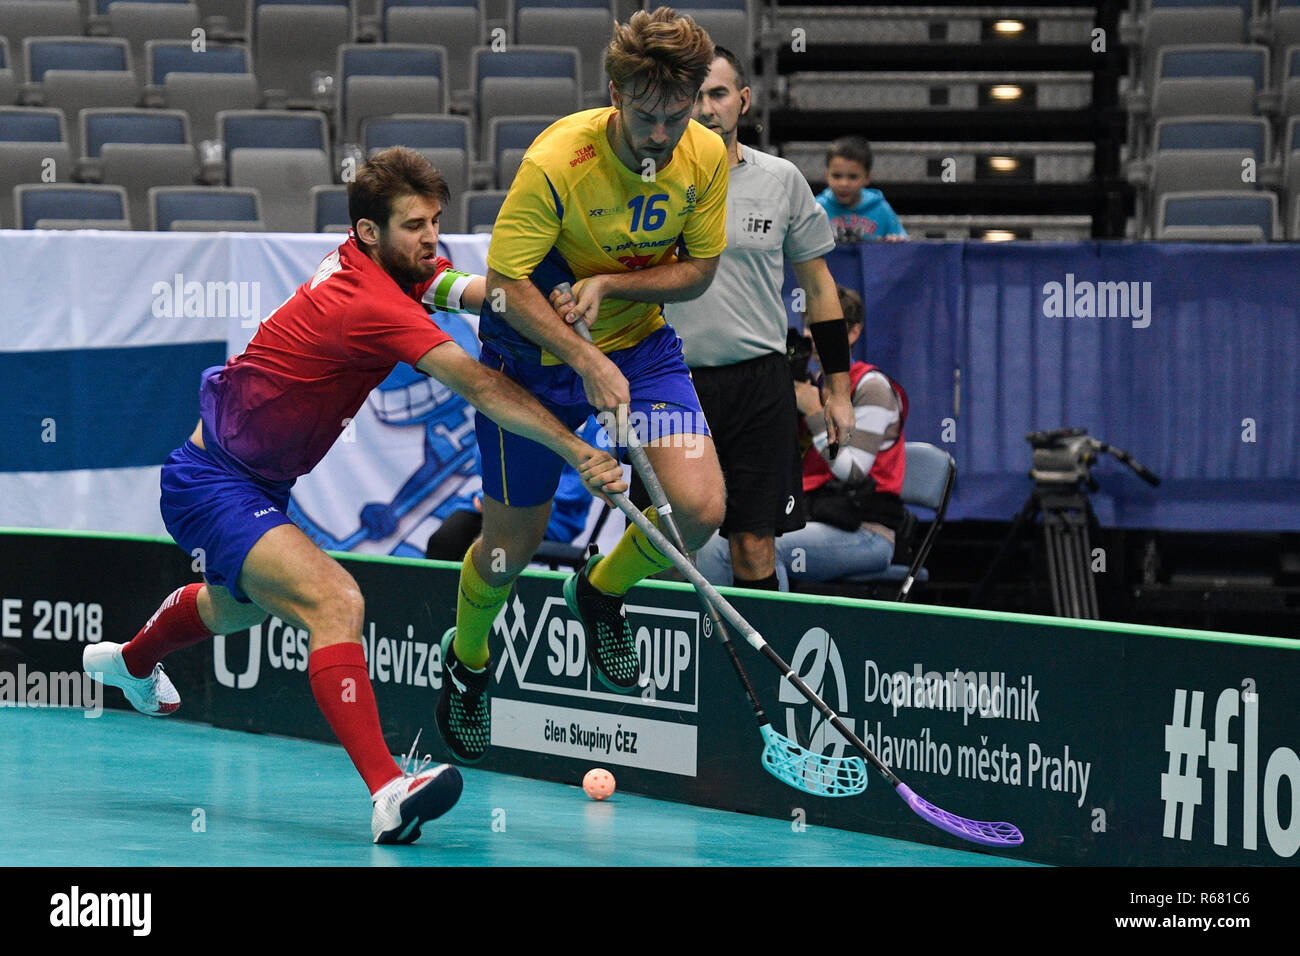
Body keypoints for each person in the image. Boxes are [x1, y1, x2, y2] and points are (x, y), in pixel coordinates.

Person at [82, 147, 626, 845]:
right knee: (335, 601)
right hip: (211, 481)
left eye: (435, 221)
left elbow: (459, 287)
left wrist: (531, 302)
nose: (431, 237)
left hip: (254, 482)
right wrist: (579, 451)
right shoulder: (367, 301)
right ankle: (388, 791)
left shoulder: (381, 264)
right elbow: (483, 387)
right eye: (414, 225)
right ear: (370, 232)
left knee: (232, 610)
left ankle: (129, 662)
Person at [437, 6, 728, 764]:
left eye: (676, 115)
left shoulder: (706, 155)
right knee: (511, 547)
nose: (659, 136)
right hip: (530, 363)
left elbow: (698, 270)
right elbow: (504, 285)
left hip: (640, 350)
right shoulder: (557, 161)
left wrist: (608, 287)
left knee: (696, 508)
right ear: (614, 92)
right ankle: (468, 661)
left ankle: (600, 592)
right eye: (645, 116)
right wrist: (583, 357)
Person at [665, 45, 854, 591]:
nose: (705, 108)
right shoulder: (649, 181)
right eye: (693, 96)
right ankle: (675, 673)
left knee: (754, 544)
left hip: (759, 383)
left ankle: (756, 672)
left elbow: (819, 289)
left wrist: (837, 391)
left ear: (743, 101)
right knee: (670, 545)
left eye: (717, 94)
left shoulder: (781, 179)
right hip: (671, 383)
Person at [696, 286, 908, 589]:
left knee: (764, 547)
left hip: (868, 532)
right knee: (719, 542)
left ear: (853, 332)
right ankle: (721, 631)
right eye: (809, 324)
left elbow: (852, 471)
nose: (811, 335)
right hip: (816, 518)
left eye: (823, 327)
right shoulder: (807, 385)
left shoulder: (872, 387)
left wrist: (814, 414)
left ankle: (772, 632)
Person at [815, 137, 907, 243]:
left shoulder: (881, 209)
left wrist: (897, 241)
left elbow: (902, 241)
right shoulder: (817, 209)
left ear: (867, 178)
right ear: (826, 175)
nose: (844, 183)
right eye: (837, 176)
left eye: (853, 177)